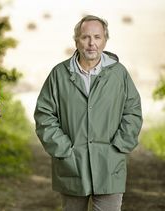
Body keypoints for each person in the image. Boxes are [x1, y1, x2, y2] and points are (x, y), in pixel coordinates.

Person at [34, 15, 142, 211]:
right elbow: (44, 115)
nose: (92, 43)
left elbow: (132, 112)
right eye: (85, 37)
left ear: (105, 40)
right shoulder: (59, 74)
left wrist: (119, 146)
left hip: (110, 165)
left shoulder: (119, 74)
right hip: (72, 165)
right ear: (76, 41)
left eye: (97, 37)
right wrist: (64, 150)